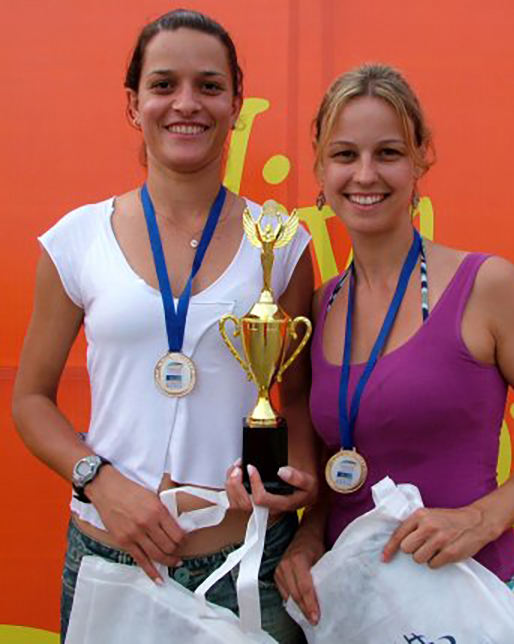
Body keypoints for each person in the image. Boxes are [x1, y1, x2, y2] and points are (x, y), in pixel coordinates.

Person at [12, 9, 317, 643]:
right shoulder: (76, 241)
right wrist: (100, 481)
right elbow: (31, 401)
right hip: (111, 557)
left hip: (249, 564)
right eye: (163, 85)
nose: (186, 104)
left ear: (236, 101)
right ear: (133, 103)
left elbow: (299, 396)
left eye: (209, 86)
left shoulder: (282, 242)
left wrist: (299, 483)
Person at [275, 64, 514, 640]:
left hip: (468, 604)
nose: (365, 174)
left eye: (388, 152)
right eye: (345, 154)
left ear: (422, 158)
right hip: (354, 615)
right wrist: (307, 537)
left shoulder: (487, 285)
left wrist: (480, 518)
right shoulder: (319, 307)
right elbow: (340, 466)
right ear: (319, 167)